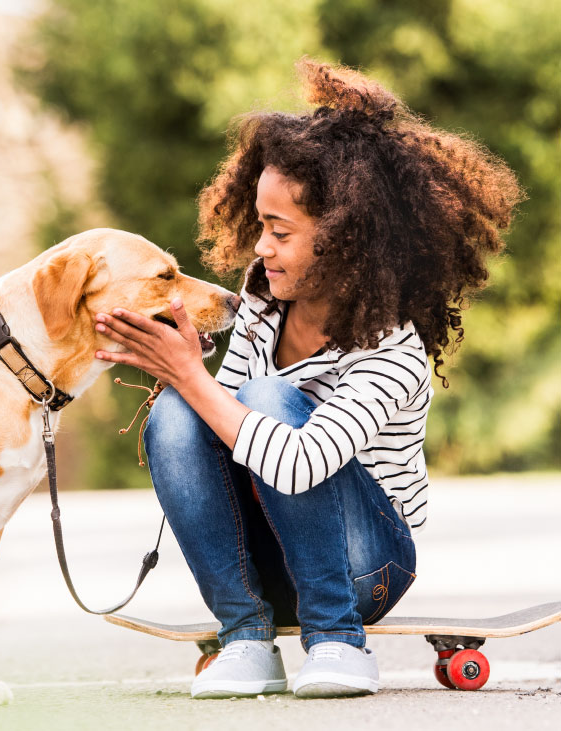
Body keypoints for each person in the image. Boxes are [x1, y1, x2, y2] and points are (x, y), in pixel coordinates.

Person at [93, 59, 523, 699]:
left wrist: (189, 375)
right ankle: (245, 637)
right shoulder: (264, 301)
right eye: (259, 225)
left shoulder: (392, 349)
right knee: (180, 415)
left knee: (265, 397)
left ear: (348, 238)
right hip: (269, 556)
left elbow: (298, 462)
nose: (260, 247)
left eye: (279, 231)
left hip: (366, 566)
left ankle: (337, 641)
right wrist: (175, 370)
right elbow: (223, 423)